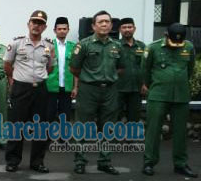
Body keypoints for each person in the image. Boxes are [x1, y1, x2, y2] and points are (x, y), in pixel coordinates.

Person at [70, 10, 122, 175]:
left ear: (111, 25)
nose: (104, 24)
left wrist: (107, 79)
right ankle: (80, 161)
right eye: (101, 22)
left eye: (107, 22)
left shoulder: (117, 46)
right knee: (82, 127)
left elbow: (120, 68)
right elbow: (74, 68)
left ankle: (104, 161)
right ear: (93, 26)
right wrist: (90, 79)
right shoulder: (84, 44)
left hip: (110, 91)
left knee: (108, 128)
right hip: (88, 90)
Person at [142, 23, 197, 178]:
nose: (177, 45)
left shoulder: (189, 47)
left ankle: (180, 164)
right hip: (158, 95)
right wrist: (151, 85)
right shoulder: (152, 48)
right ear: (166, 35)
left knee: (180, 132)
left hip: (181, 96)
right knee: (153, 130)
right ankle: (149, 163)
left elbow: (190, 69)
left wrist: (179, 83)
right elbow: (145, 70)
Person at [4, 10, 54, 174]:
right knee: (16, 126)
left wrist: (38, 77)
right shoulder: (17, 43)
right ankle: (12, 161)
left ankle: (37, 162)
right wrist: (15, 80)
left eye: (40, 23)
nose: (36, 26)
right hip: (21, 88)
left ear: (44, 27)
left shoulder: (49, 45)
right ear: (28, 24)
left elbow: (50, 67)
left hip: (40, 89)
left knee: (41, 128)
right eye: (34, 22)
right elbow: (7, 65)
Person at [46, 17, 75, 123]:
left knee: (65, 115)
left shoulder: (73, 47)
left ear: (68, 30)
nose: (62, 31)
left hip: (67, 86)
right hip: (50, 85)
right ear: (55, 30)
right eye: (59, 29)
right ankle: (47, 138)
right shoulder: (48, 46)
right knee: (48, 114)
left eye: (64, 29)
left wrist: (75, 87)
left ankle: (64, 138)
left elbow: (76, 69)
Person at [117, 18, 145, 123]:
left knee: (134, 117)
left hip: (136, 89)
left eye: (130, 27)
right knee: (115, 116)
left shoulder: (141, 46)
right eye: (124, 27)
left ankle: (131, 139)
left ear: (134, 29)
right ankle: (114, 138)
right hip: (118, 88)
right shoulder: (115, 45)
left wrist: (144, 84)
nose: (127, 29)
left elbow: (146, 67)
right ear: (120, 29)